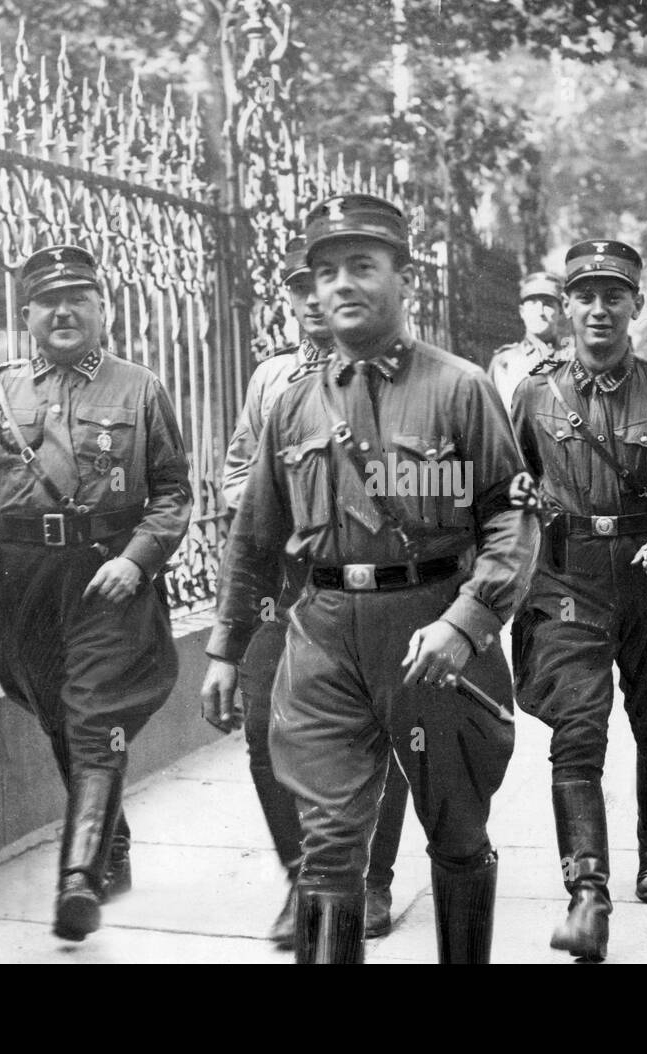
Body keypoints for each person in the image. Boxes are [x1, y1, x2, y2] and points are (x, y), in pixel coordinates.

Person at [200, 194, 537, 964]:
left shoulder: (459, 389)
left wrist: (468, 622)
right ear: (311, 291)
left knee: (455, 833)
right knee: (326, 848)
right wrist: (225, 647)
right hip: (321, 634)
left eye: (362, 265)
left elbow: (512, 520)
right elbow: (252, 539)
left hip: (435, 632)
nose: (342, 284)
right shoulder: (289, 406)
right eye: (326, 272)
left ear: (401, 279)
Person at [0, 245, 193, 941]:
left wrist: (138, 560)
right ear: (28, 315)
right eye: (47, 302)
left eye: (78, 299)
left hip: (106, 576)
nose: (62, 312)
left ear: (103, 310)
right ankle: (112, 841)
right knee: (61, 717)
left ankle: (79, 880)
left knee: (94, 716)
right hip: (25, 582)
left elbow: (173, 494)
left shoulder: (140, 390)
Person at [511, 240, 647, 962]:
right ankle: (586, 891)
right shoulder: (535, 393)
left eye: (615, 296)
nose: (599, 309)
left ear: (637, 305)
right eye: (586, 296)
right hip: (568, 580)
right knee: (578, 731)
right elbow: (507, 488)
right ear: (567, 306)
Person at [221, 236, 409, 948]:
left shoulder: (390, 376)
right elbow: (238, 471)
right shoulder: (271, 380)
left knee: (380, 734)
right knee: (265, 731)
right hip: (285, 586)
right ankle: (304, 876)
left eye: (323, 285)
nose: (311, 301)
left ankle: (374, 878)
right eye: (300, 288)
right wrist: (274, 504)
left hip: (368, 587)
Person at [486, 271, 573, 410]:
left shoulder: (572, 358)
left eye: (548, 304)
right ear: (522, 311)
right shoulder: (504, 362)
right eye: (532, 303)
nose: (540, 312)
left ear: (560, 311)